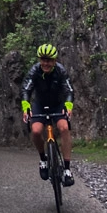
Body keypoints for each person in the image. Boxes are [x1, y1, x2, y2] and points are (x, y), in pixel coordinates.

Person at [21, 43, 75, 186]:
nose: (46, 63)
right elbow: (26, 90)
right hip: (39, 105)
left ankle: (67, 169)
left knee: (64, 128)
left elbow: (69, 90)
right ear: (40, 60)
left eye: (49, 60)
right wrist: (26, 107)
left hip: (57, 104)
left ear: (54, 61)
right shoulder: (34, 71)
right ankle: (43, 159)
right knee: (36, 131)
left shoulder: (61, 71)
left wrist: (68, 106)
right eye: (43, 60)